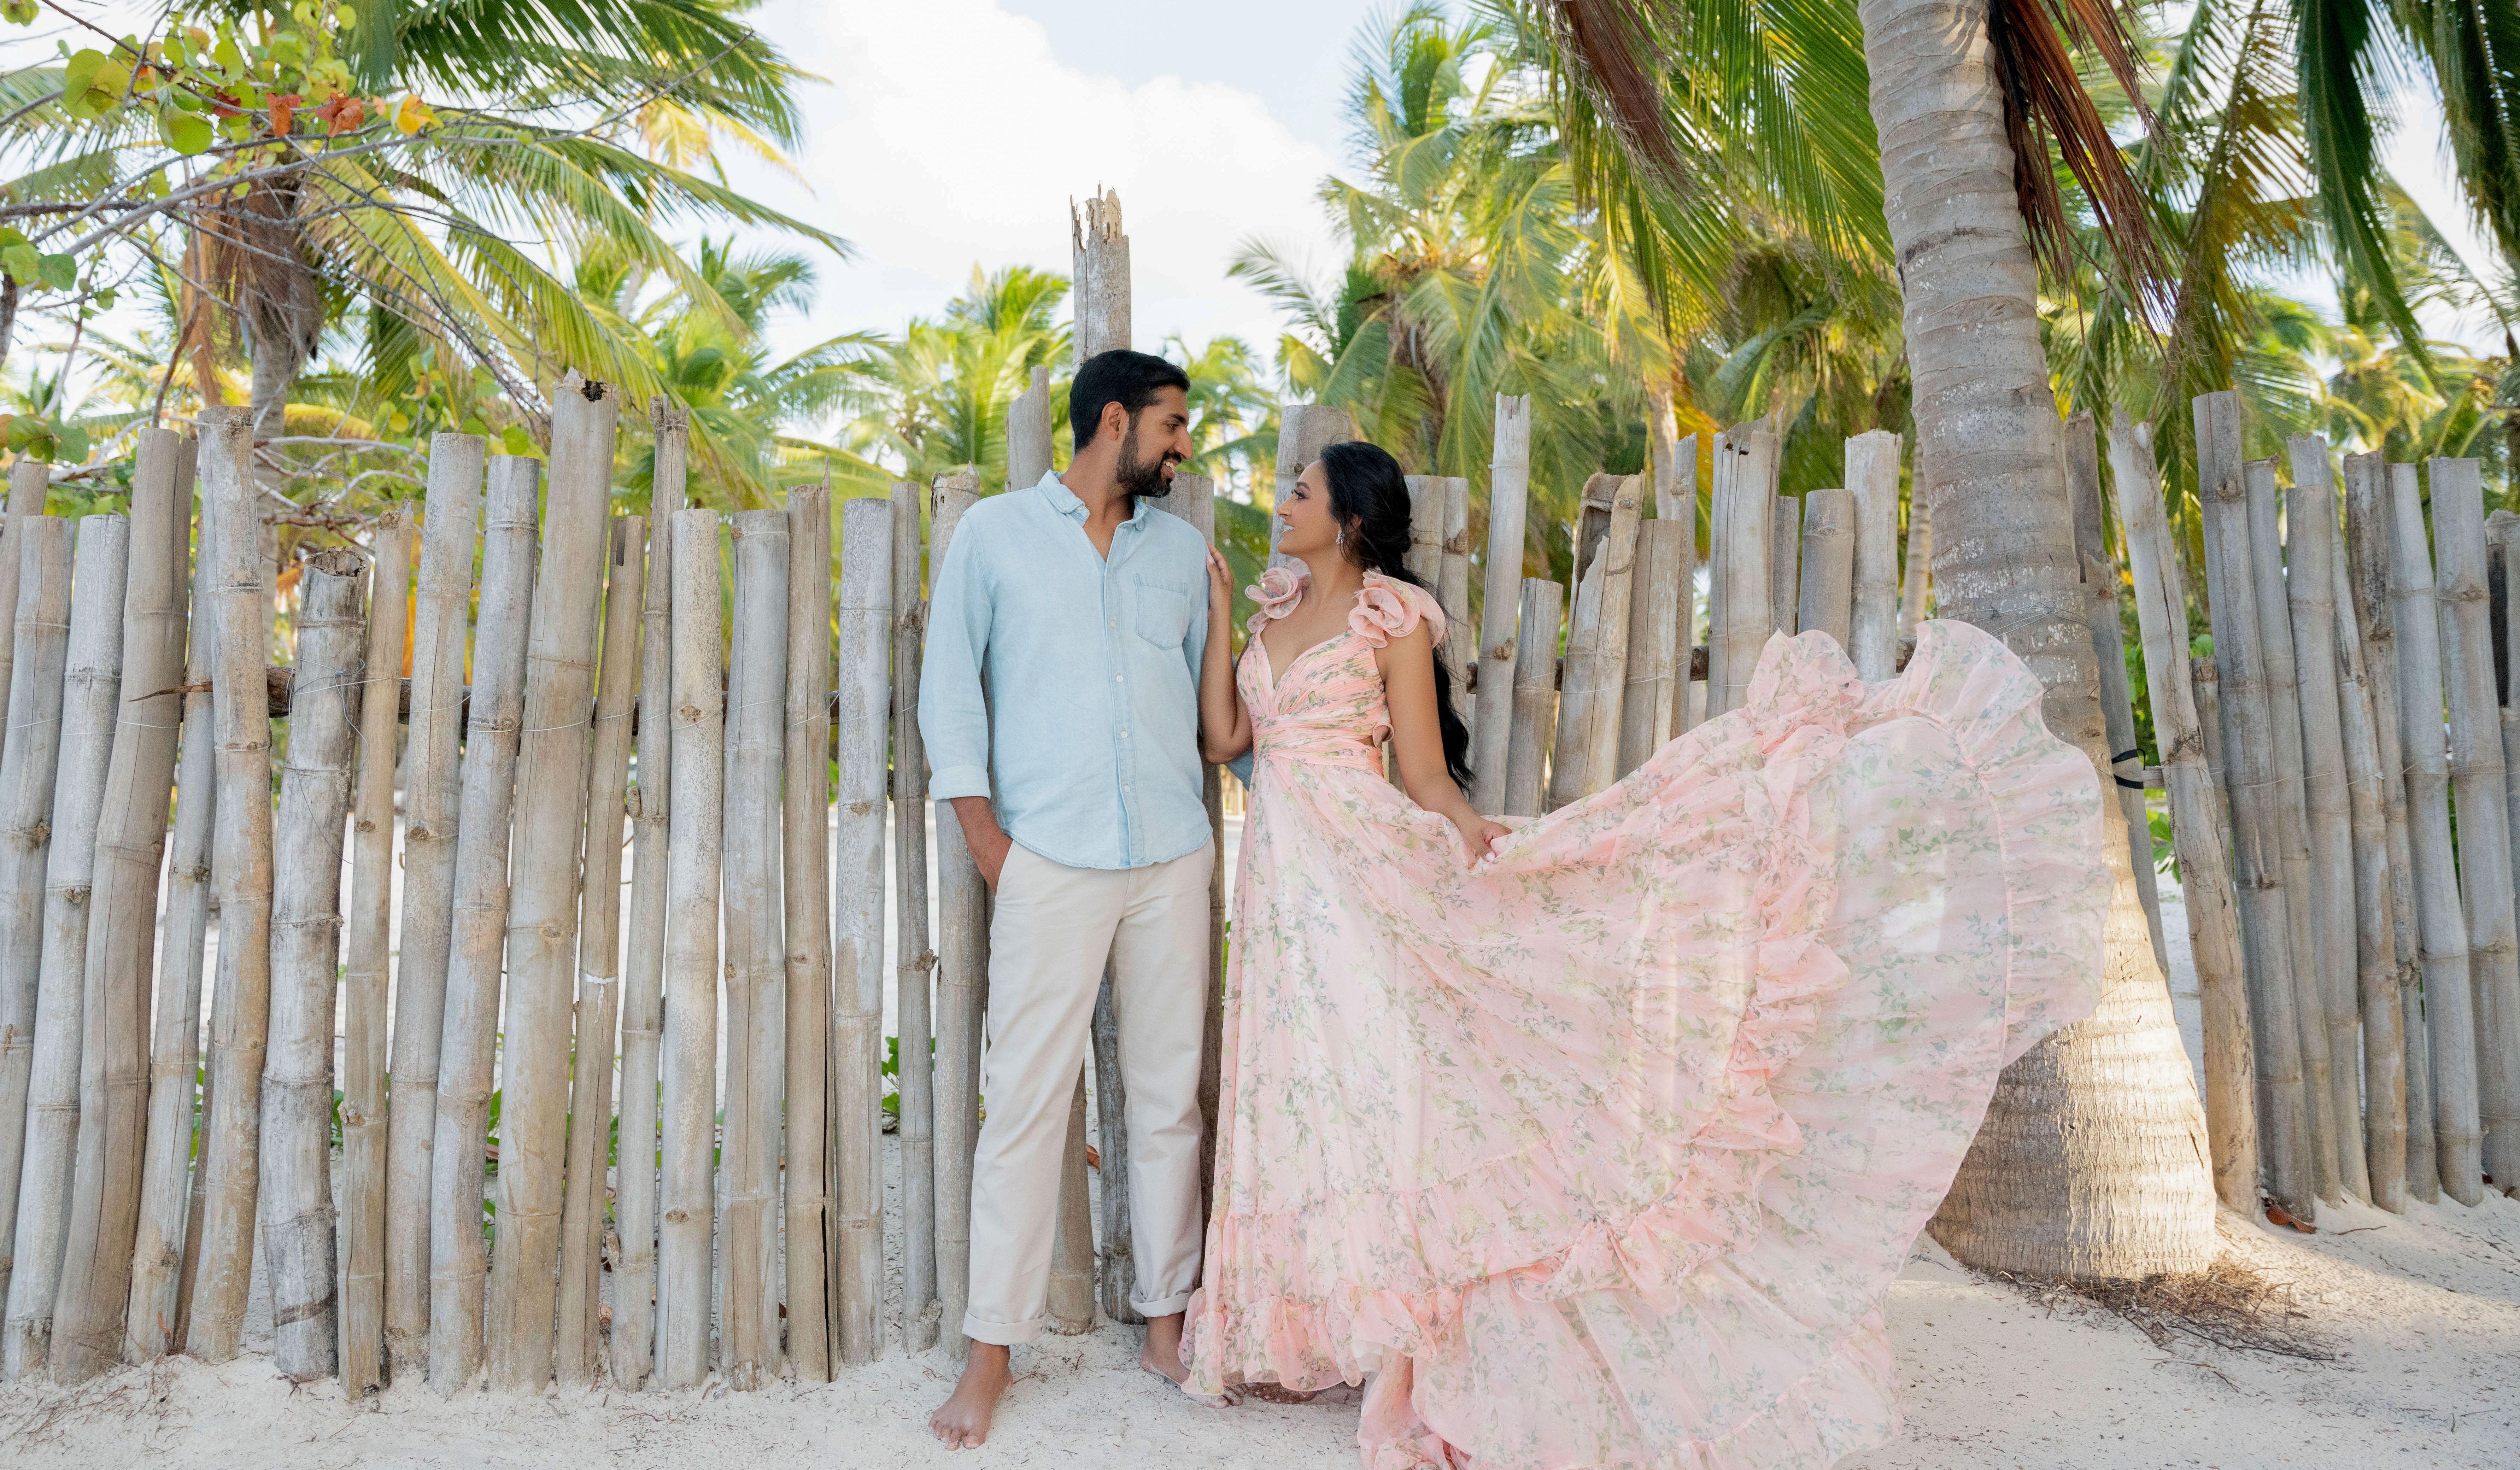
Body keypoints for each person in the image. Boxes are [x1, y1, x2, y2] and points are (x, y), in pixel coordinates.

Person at [1182, 439, 2110, 1468]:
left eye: (1300, 492)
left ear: (1351, 517)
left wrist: (1487, 851)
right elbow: (1228, 740)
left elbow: (1426, 777)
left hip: (1368, 876)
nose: (1283, 504)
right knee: (1315, 1090)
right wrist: (1223, 613)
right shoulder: (1271, 614)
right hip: (1283, 893)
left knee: (1399, 1090)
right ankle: (1344, 1320)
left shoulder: (1390, 620)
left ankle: (1418, 1328)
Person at [920, 349, 1217, 1450]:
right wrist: (989, 843)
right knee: (1024, 1105)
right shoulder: (994, 535)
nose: (1184, 444)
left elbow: (1210, 707)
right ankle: (990, 1354)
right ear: (1115, 422)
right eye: (1172, 424)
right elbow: (948, 691)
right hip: (1049, 859)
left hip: (1171, 856)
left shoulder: (1180, 553)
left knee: (1167, 1100)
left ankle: (1166, 1326)